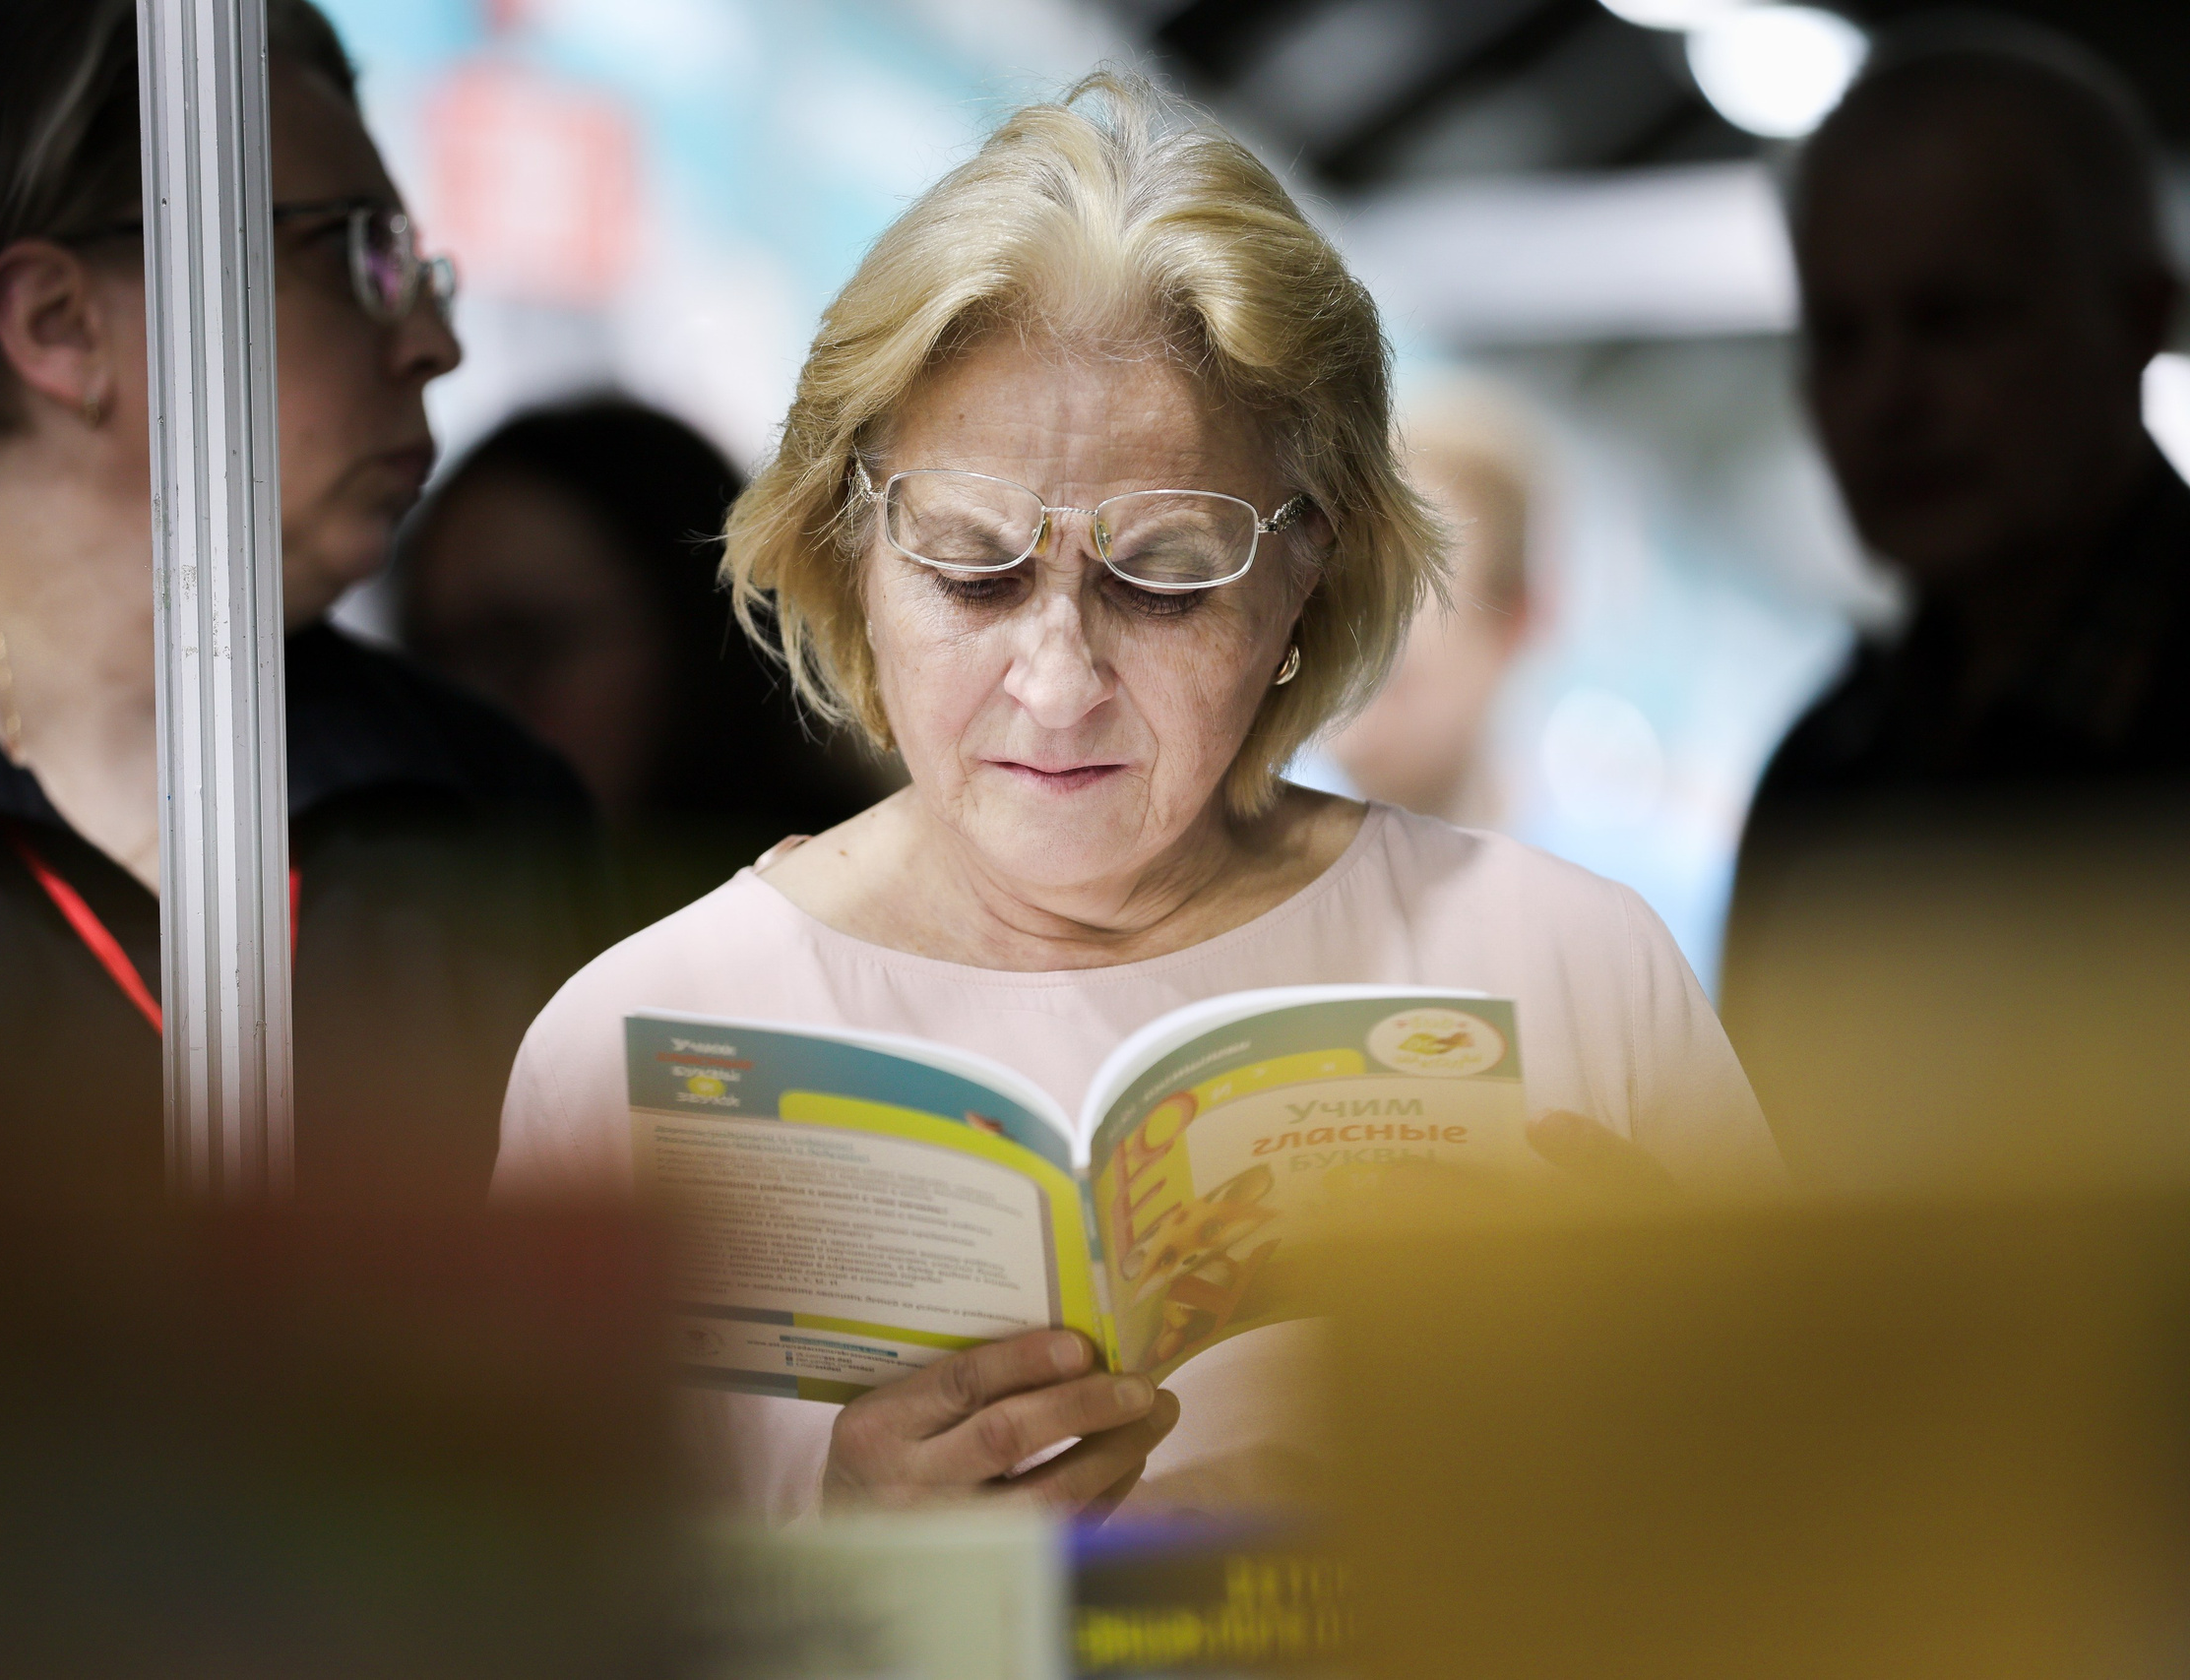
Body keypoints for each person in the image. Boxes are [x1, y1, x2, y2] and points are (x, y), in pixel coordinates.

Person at [496, 74, 1783, 1521]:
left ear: (1314, 568)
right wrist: (848, 1567)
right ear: (848, 546)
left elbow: (1844, 1548)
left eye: (1168, 570)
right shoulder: (627, 1050)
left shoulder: (1564, 974)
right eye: (971, 561)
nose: (1056, 680)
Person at [0, 0, 610, 1209]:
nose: (434, 338)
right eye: (356, 252)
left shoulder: (497, 820)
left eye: (417, 266)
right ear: (61, 327)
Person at [1721, 33, 2190, 1187]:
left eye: (1953, 320)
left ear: (2138, 319)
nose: (1888, 400)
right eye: (1840, 337)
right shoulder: (1822, 775)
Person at [398, 398, 884, 928]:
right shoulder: (418, 915)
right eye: (429, 659)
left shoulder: (849, 912)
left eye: (519, 646)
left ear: (697, 635)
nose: (466, 708)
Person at [1298, 385, 1539, 826]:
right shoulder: (1227, 846)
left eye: (1413, 578)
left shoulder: (1604, 878)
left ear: (1517, 623)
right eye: (1340, 567)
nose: (1360, 610)